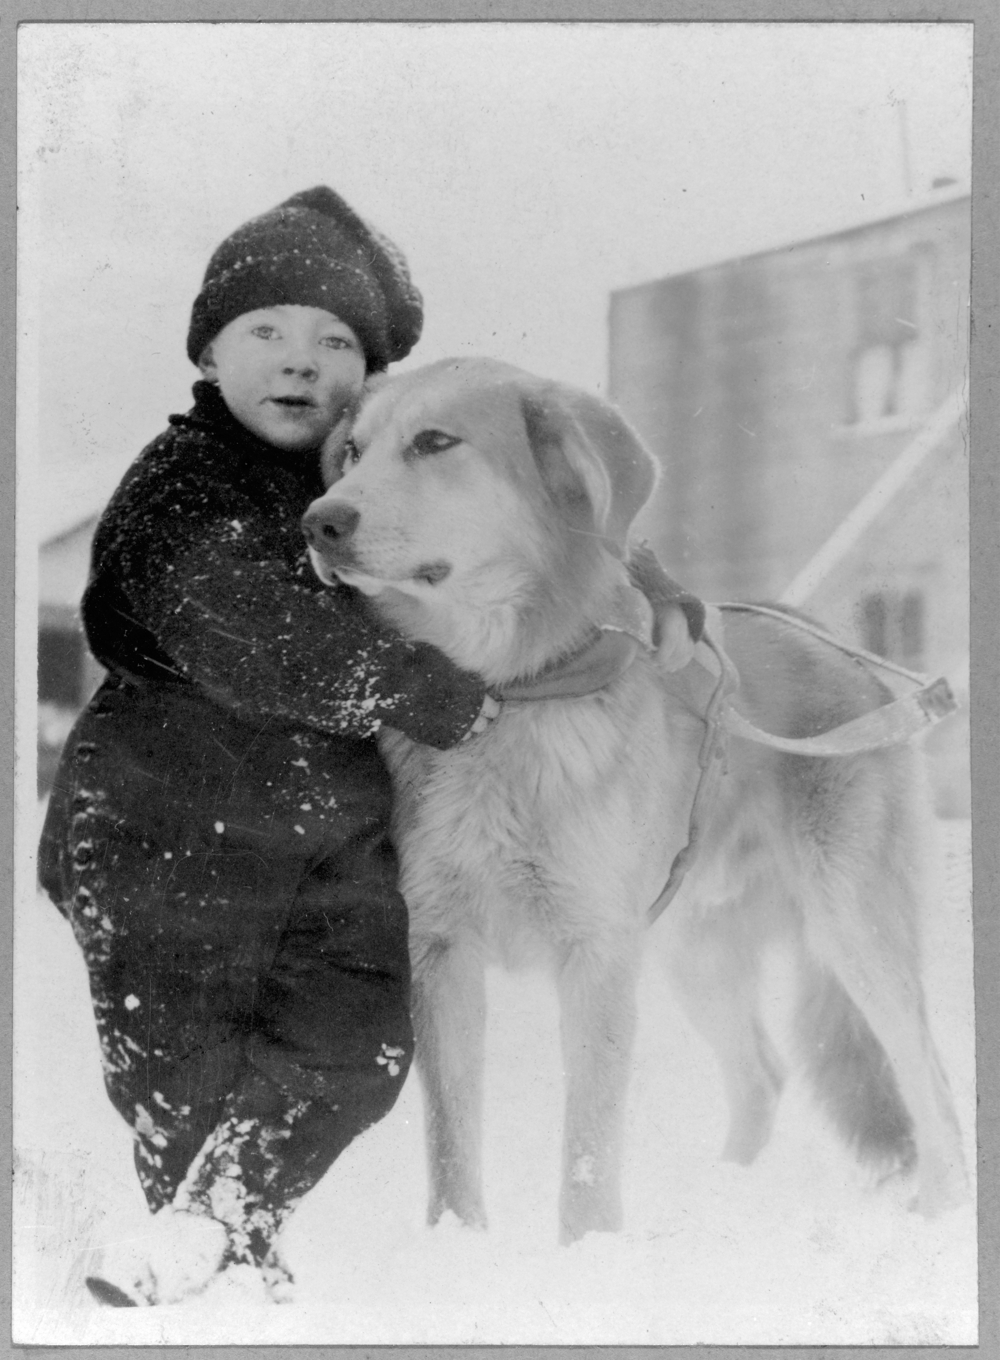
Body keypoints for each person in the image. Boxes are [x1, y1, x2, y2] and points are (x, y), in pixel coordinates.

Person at [37, 187, 495, 1306]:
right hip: (163, 818)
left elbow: (497, 546)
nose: (300, 360)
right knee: (186, 1069)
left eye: (335, 340)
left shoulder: (361, 489)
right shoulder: (185, 483)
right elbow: (254, 632)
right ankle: (203, 1260)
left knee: (361, 1044)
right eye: (266, 331)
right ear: (207, 350)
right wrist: (419, 688)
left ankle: (217, 1223)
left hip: (321, 830)